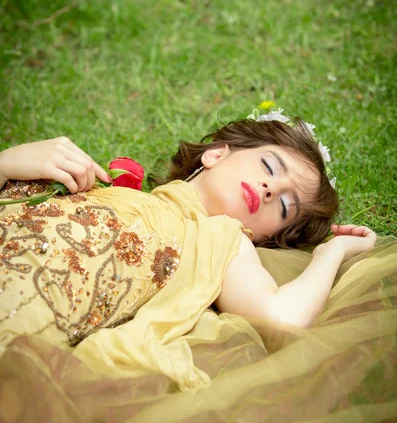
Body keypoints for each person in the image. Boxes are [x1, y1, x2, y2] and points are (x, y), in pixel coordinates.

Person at [0, 114, 380, 390]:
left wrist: (330, 253)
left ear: (265, 236)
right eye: (269, 166)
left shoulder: (221, 240)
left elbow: (281, 315)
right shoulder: (101, 185)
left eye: (284, 206)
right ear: (215, 155)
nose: (270, 189)